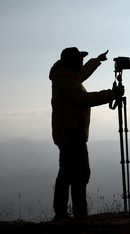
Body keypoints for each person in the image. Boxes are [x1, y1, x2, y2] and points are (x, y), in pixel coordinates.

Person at [49, 47, 124, 221]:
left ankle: (61, 214)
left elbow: (81, 74)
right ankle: (80, 216)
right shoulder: (67, 82)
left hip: (67, 132)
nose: (81, 62)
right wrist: (112, 94)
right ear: (71, 63)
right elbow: (84, 99)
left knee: (66, 173)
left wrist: (96, 61)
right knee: (80, 174)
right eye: (79, 60)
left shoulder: (66, 76)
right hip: (72, 133)